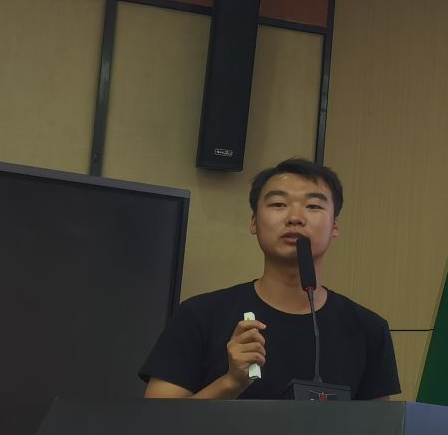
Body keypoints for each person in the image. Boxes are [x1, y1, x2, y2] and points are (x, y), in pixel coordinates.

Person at [141, 158, 401, 401]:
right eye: (278, 204)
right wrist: (231, 382)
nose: (295, 218)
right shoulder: (199, 315)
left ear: (335, 226)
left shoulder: (368, 329)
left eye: (313, 206)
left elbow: (382, 429)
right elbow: (156, 423)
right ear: (254, 222)